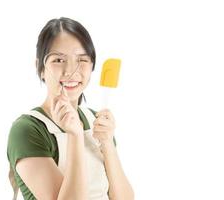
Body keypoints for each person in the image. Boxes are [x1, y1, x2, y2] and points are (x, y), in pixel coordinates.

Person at [7, 17, 134, 200]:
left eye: (82, 60)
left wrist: (107, 144)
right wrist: (75, 136)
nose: (71, 71)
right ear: (40, 68)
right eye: (58, 60)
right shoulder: (27, 130)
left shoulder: (95, 121)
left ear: (92, 67)